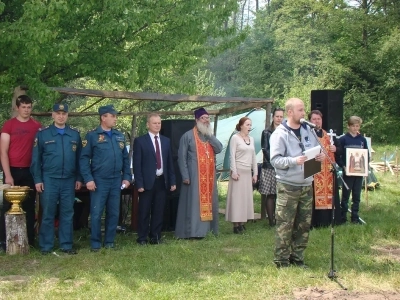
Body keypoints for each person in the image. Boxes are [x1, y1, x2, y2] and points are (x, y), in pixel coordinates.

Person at [269, 98, 325, 268]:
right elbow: (275, 160)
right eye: (300, 110)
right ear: (290, 112)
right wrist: (294, 161)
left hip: (306, 183)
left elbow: (317, 149)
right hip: (288, 185)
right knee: (285, 225)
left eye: (303, 109)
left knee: (303, 225)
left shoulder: (308, 129)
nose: (303, 113)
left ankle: (298, 258)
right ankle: (281, 261)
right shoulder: (279, 134)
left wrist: (320, 156)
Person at [31, 104, 83, 255]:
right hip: (49, 179)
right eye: (58, 113)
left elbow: (80, 159)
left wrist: (79, 178)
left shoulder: (74, 135)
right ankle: (46, 246)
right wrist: (38, 179)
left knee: (67, 212)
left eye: (64, 113)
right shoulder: (43, 134)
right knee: (48, 212)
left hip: (69, 179)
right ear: (52, 115)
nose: (61, 116)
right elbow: (36, 159)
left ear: (67, 116)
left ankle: (66, 245)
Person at [80, 105, 131, 251]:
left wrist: (127, 177)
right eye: (112, 116)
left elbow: (125, 159)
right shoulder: (92, 136)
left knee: (114, 212)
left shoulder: (119, 135)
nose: (115, 118)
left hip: (116, 179)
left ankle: (109, 242)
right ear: (103, 117)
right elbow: (84, 159)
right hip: (99, 179)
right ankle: (95, 243)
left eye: (115, 116)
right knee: (96, 212)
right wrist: (88, 179)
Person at [0, 95, 42, 250]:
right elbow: (3, 152)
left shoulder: (37, 126)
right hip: (12, 171)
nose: (26, 110)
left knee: (30, 206)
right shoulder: (9, 125)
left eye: (29, 107)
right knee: (7, 206)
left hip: (30, 171)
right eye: (23, 107)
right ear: (17, 108)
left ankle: (29, 241)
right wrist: (8, 174)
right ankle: (4, 241)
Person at [175, 108, 223, 239]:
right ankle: (193, 232)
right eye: (203, 118)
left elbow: (219, 148)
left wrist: (210, 136)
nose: (206, 120)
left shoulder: (209, 136)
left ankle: (208, 230)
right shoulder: (188, 136)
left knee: (209, 203)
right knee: (194, 205)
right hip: (194, 176)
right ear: (197, 120)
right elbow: (181, 157)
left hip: (208, 177)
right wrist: (185, 175)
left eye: (208, 118)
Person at [133, 113, 176, 245]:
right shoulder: (140, 141)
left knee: (159, 210)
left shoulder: (166, 141)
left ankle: (155, 237)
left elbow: (169, 163)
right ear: (148, 125)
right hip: (146, 182)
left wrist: (172, 181)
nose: (157, 125)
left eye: (159, 123)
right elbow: (137, 164)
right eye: (154, 123)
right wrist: (139, 183)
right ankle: (142, 238)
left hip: (162, 181)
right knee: (144, 211)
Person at [308, 110, 342, 227]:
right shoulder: (308, 134)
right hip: (315, 170)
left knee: (330, 195)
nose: (317, 121)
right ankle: (317, 222)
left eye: (319, 119)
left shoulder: (327, 135)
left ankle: (330, 220)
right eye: (314, 119)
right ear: (310, 121)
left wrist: (335, 149)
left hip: (328, 171)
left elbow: (339, 150)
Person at [225, 117, 257, 234]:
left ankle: (242, 222)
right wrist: (234, 171)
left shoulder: (251, 139)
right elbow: (231, 155)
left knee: (245, 198)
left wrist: (255, 173)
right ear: (241, 125)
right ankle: (235, 224)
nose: (249, 127)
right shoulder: (235, 138)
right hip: (238, 171)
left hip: (247, 171)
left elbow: (253, 156)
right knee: (237, 199)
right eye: (247, 124)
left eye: (250, 125)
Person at [337, 116, 369, 224]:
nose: (355, 128)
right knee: (345, 196)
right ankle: (342, 218)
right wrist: (343, 166)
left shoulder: (362, 140)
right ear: (348, 126)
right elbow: (338, 156)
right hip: (348, 172)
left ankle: (355, 218)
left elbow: (366, 155)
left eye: (357, 126)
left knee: (357, 196)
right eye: (353, 126)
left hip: (359, 173)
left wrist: (365, 168)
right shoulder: (343, 139)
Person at [259, 107, 284, 227]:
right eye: (277, 116)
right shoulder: (266, 132)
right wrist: (276, 162)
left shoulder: (285, 131)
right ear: (273, 117)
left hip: (283, 166)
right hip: (270, 167)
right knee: (270, 194)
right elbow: (265, 150)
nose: (279, 119)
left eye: (281, 116)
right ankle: (271, 220)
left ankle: (280, 218)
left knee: (281, 193)